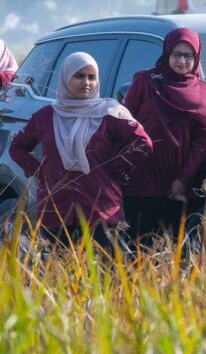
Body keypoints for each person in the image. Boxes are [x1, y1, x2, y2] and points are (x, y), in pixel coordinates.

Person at [9, 52, 152, 249]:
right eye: (79, 76)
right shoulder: (46, 116)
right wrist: (42, 172)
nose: (86, 82)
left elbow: (143, 143)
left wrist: (112, 170)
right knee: (58, 273)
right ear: (66, 78)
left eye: (92, 77)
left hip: (101, 208)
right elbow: (17, 147)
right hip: (57, 209)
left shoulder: (110, 113)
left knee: (107, 272)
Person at [122, 28, 206, 242]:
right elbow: (125, 120)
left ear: (196, 57)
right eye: (176, 54)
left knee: (169, 245)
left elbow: (204, 140)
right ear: (166, 53)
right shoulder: (146, 81)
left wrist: (182, 179)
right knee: (136, 244)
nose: (182, 61)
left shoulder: (202, 91)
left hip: (175, 182)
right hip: (140, 176)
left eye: (188, 55)